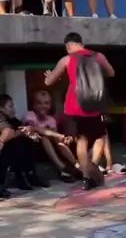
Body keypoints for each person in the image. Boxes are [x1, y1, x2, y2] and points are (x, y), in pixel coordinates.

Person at [44, 32, 115, 189]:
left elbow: (48, 82)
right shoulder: (99, 56)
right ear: (81, 43)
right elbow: (111, 73)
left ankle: (86, 177)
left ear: (68, 46)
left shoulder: (67, 59)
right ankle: (93, 165)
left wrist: (49, 75)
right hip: (95, 105)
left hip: (74, 108)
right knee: (100, 137)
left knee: (81, 141)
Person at [23, 90, 79, 182]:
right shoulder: (30, 115)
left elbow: (56, 137)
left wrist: (61, 138)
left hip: (50, 151)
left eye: (46, 103)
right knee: (44, 138)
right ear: (34, 105)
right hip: (34, 149)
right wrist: (56, 134)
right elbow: (33, 128)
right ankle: (61, 167)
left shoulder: (51, 120)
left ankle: (77, 165)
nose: (43, 106)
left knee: (57, 140)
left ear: (50, 105)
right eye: (39, 103)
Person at [0, 94, 50, 194]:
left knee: (28, 140)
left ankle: (29, 174)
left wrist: (28, 132)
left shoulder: (11, 119)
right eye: (10, 106)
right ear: (1, 108)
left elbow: (22, 128)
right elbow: (9, 132)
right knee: (15, 144)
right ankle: (11, 179)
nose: (13, 109)